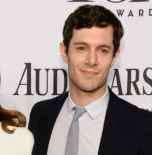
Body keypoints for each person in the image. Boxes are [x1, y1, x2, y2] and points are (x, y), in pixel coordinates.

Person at [28, 4, 152, 155]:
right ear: (64, 52)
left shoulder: (143, 125)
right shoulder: (41, 114)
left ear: (114, 57)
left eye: (103, 50)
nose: (91, 60)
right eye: (82, 48)